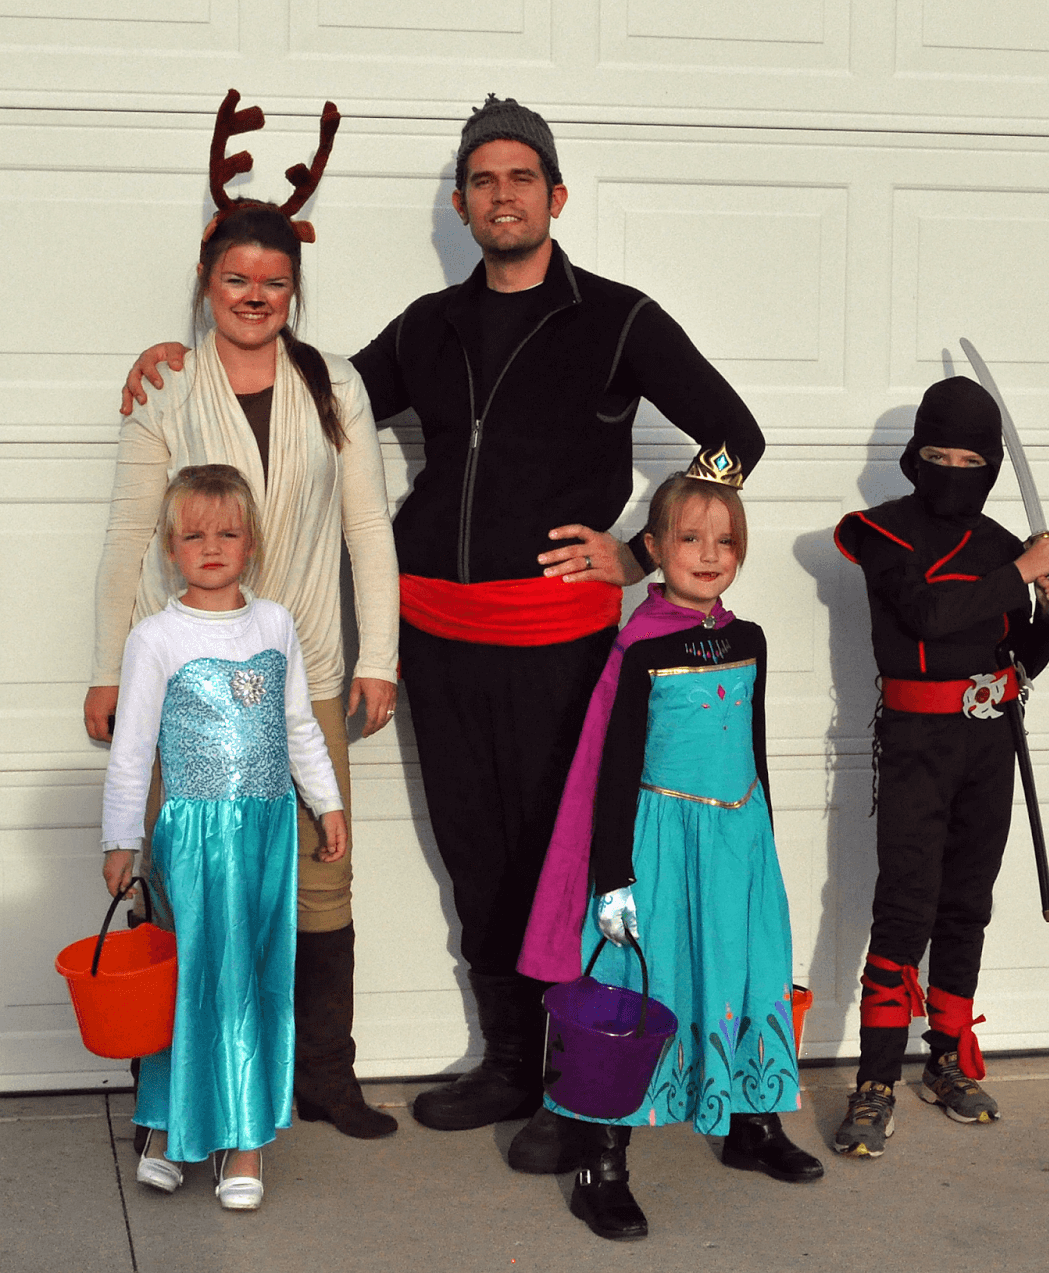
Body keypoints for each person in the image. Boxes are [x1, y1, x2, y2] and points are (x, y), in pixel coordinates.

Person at [122, 94, 766, 1140]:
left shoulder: (618, 318)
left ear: (554, 196)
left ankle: (573, 1080)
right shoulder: (433, 326)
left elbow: (735, 437)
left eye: (521, 176)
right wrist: (181, 356)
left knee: (558, 863)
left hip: (556, 640)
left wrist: (641, 553)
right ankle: (510, 1063)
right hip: (440, 641)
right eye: (482, 179)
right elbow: (308, 389)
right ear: (463, 204)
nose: (501, 194)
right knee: (476, 855)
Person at [85, 96, 400, 1140]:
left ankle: (324, 1075)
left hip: (298, 665)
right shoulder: (166, 387)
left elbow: (367, 529)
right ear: (206, 283)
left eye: (274, 282)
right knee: (181, 877)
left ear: (293, 290)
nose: (255, 295)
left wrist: (379, 656)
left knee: (321, 871)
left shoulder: (332, 384)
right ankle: (170, 1087)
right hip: (184, 682)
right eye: (236, 279)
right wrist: (103, 668)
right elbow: (130, 535)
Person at [516, 471, 823, 1240]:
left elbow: (752, 747)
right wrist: (614, 879)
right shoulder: (642, 646)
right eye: (690, 538)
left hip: (737, 841)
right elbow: (611, 768)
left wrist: (766, 845)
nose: (709, 553)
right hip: (659, 843)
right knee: (634, 992)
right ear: (651, 549)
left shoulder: (748, 638)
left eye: (726, 540)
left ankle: (751, 1121)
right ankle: (601, 1165)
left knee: (750, 970)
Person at [830, 376, 1049, 1157]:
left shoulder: (1006, 546)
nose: (950, 468)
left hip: (988, 742)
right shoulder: (879, 533)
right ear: (914, 457)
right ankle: (875, 1079)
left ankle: (944, 1058)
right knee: (906, 901)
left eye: (968, 457)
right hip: (915, 745)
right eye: (936, 453)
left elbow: (1017, 656)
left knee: (966, 900)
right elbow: (931, 615)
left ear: (991, 466)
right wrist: (1022, 573)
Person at [101, 465, 347, 1210]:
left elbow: (298, 722)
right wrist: (120, 838)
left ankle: (244, 1139)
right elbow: (133, 747)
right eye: (194, 535)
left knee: (258, 979)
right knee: (192, 977)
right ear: (172, 549)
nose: (212, 547)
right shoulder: (156, 637)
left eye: (228, 532)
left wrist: (326, 801)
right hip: (194, 838)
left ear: (252, 543)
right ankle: (172, 1125)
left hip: (269, 829)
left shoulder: (274, 624)